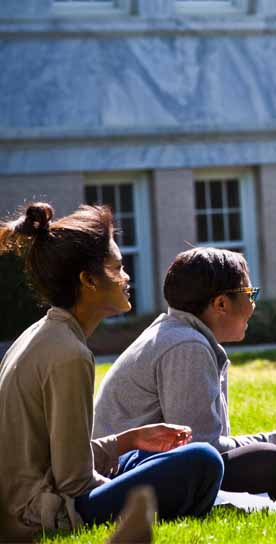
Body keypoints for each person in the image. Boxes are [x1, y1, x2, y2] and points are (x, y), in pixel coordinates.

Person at [0, 203, 223, 540]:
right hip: (43, 514)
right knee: (202, 460)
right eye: (117, 267)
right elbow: (74, 482)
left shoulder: (42, 334)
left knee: (147, 456)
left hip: (34, 498)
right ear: (88, 280)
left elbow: (60, 458)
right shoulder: (69, 354)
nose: (126, 277)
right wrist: (124, 484)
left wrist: (128, 440)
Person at [94, 248, 276, 499]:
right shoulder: (187, 345)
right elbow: (204, 448)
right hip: (129, 478)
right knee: (272, 462)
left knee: (272, 456)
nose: (253, 304)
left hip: (140, 470)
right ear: (221, 304)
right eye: (250, 294)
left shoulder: (179, 334)